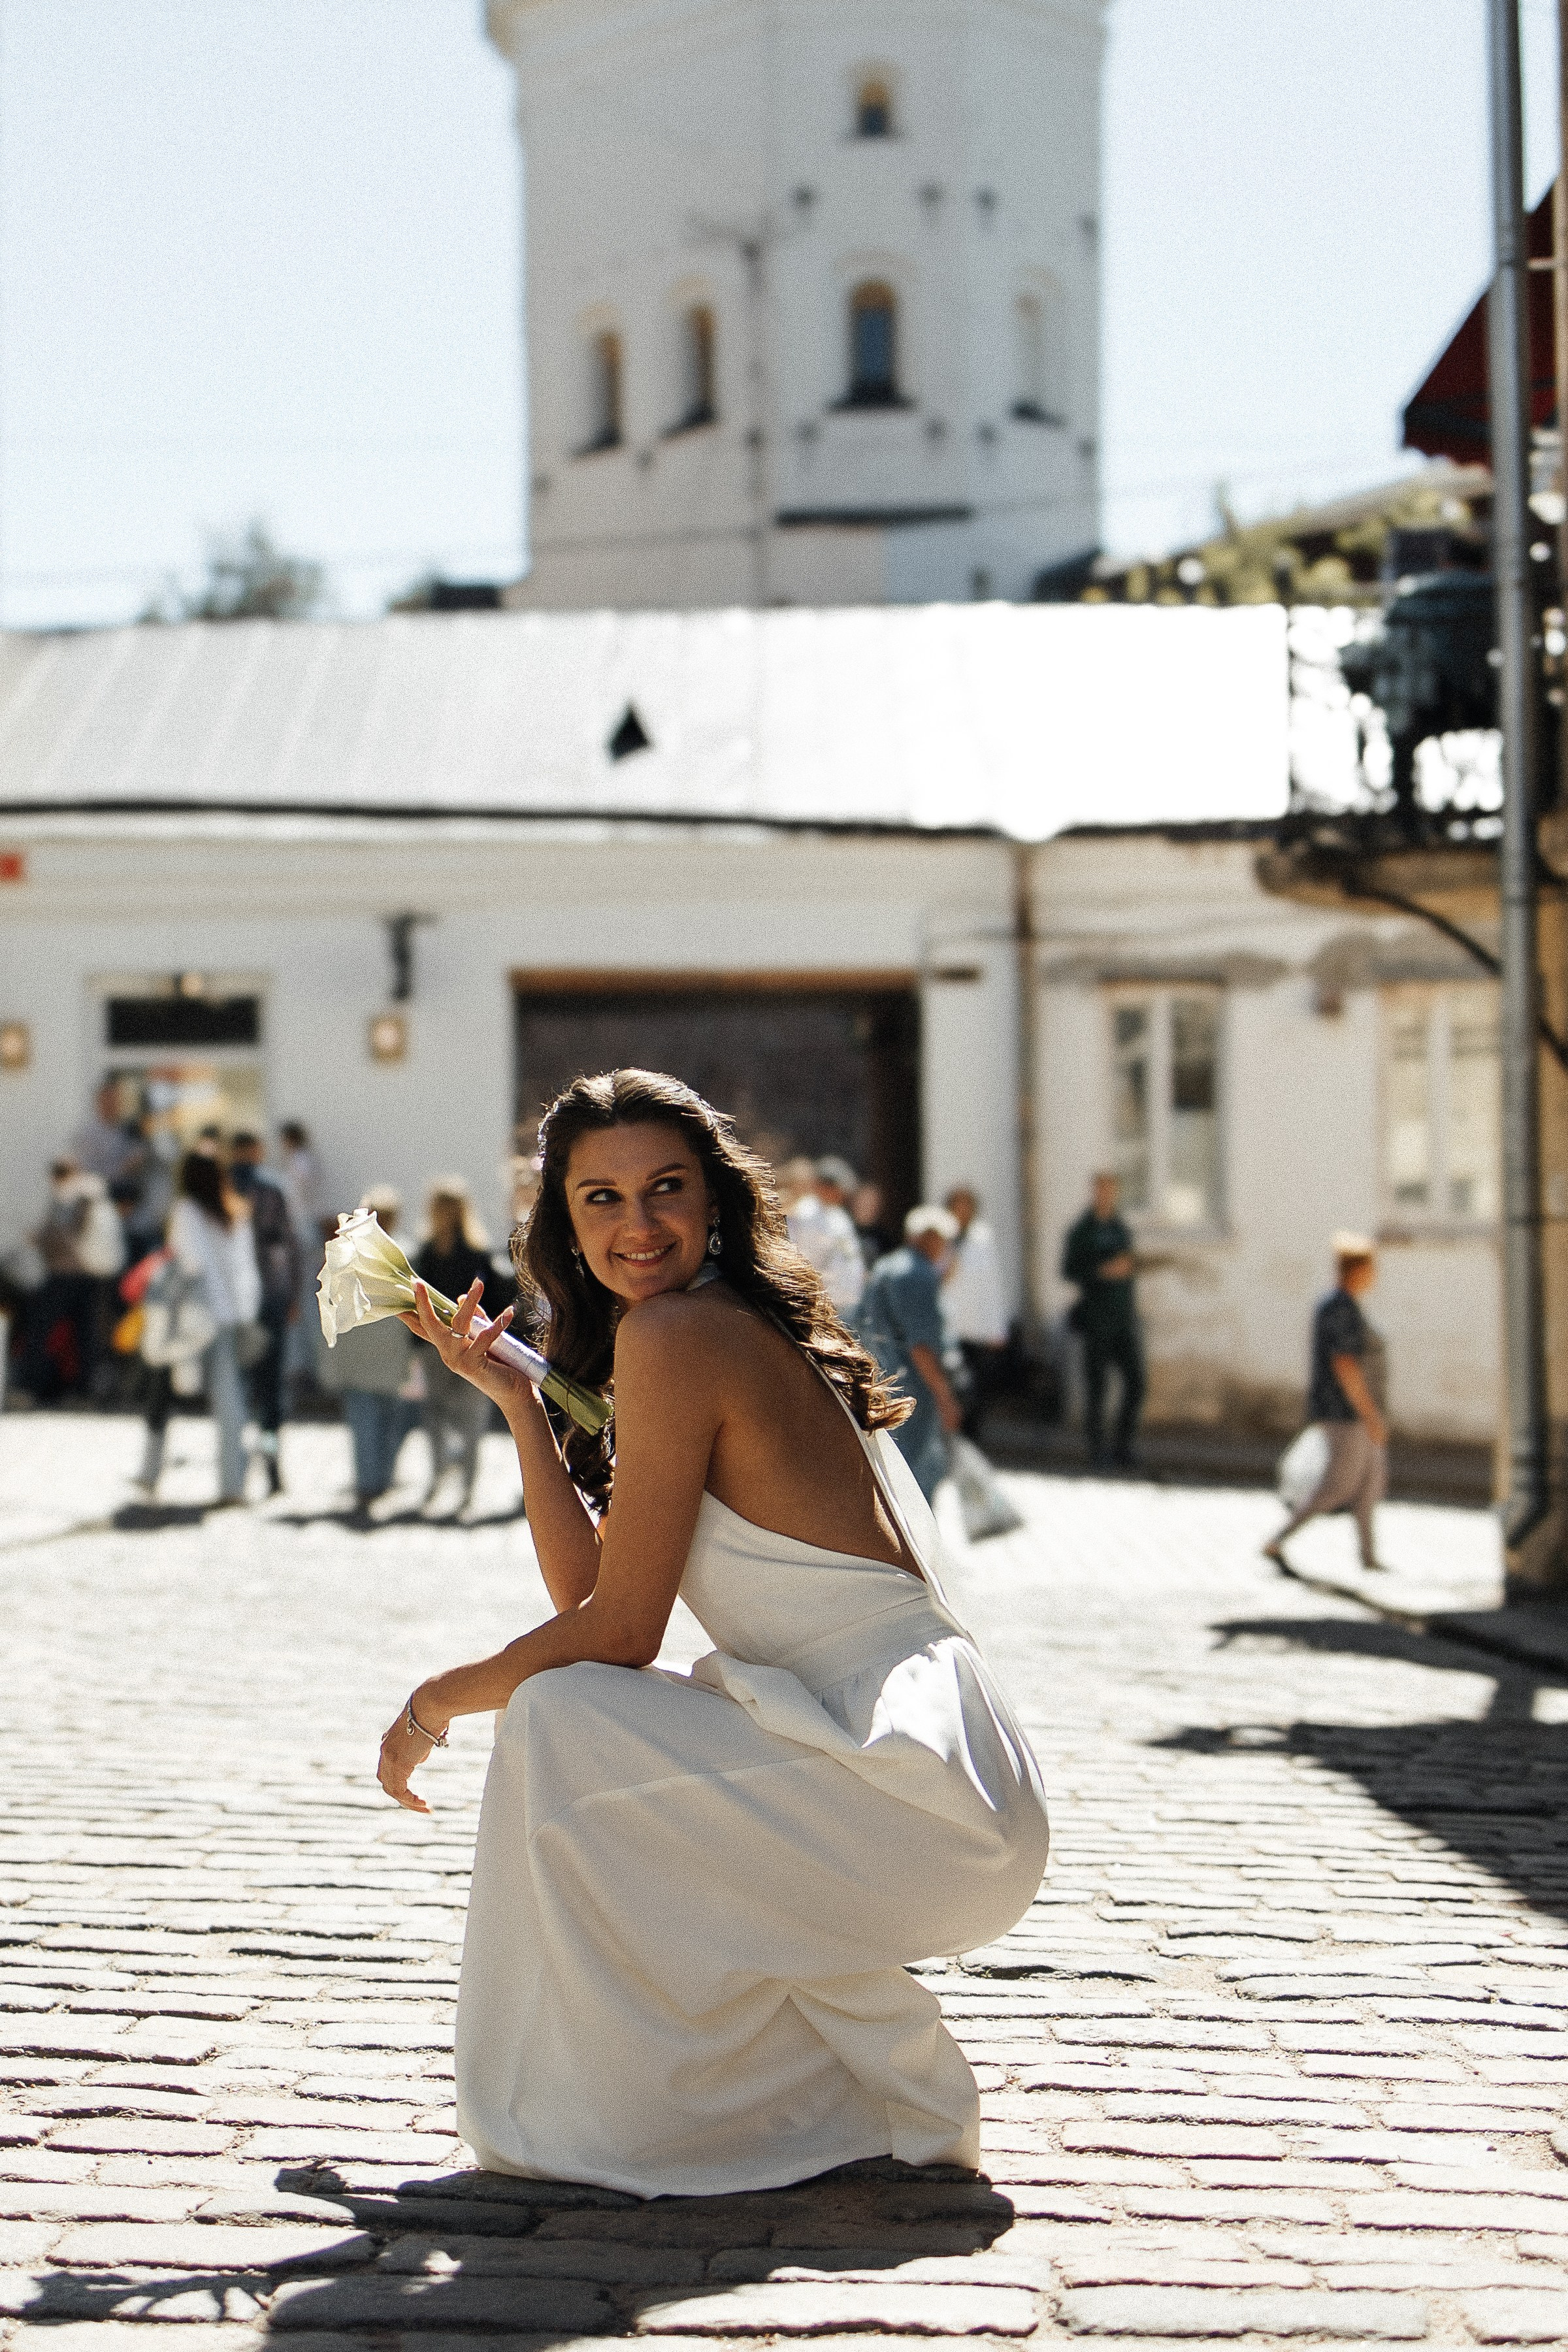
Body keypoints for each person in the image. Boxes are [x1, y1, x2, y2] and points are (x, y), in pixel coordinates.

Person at [376, 1068, 1050, 2198]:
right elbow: (593, 1596)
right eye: (601, 1199)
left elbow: (622, 1632)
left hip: (910, 1792)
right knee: (568, 1715)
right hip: (942, 1785)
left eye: (666, 1189)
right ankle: (826, 2090)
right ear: (563, 1223)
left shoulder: (684, 1334)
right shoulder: (706, 1326)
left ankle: (652, 2111)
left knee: (558, 1717)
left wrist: (434, 1701)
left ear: (715, 1201)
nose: (637, 1225)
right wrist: (519, 1408)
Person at [139, 1149, 259, 1505]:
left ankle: (150, 1472)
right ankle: (233, 1483)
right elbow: (245, 1267)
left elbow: (187, 1261)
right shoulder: (235, 1213)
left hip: (192, 1316)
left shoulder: (186, 1211)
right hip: (226, 1317)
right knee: (229, 1401)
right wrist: (243, 1313)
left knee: (164, 1389)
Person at [1266, 1235, 1388, 1573]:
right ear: (1357, 1270)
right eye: (1370, 1269)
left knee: (1369, 1482)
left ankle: (1369, 1558)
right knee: (1338, 1485)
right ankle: (1278, 1538)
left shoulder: (1336, 1304)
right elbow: (1345, 1365)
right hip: (1343, 1413)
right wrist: (1369, 1413)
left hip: (1347, 1411)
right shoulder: (1341, 1308)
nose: (1374, 1276)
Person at [854, 1205, 964, 1504]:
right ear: (931, 1238)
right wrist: (945, 1396)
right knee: (917, 1477)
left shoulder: (886, 1267)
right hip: (913, 1389)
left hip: (882, 1381)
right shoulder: (918, 1274)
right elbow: (921, 1347)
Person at [318, 1185, 416, 1515]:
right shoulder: (406, 1253)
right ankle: (378, 1480)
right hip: (387, 1355)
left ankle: (369, 1482)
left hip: (362, 1355)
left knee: (365, 1420)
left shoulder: (353, 1254)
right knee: (387, 1419)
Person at [413, 1177, 499, 1514]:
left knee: (438, 1416)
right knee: (469, 1421)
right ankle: (464, 1485)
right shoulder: (478, 1254)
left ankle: (442, 1480)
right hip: (468, 1347)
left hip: (436, 1346)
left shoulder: (427, 1253)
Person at [19, 1160, 126, 1405]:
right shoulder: (91, 1195)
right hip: (86, 1278)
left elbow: (69, 1235)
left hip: (67, 1275)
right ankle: (82, 1388)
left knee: (41, 1328)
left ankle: (37, 1386)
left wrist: (41, 1238)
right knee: (84, 1333)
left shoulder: (77, 1197)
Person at [229, 1132, 302, 1495]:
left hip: (233, 1303)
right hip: (269, 1299)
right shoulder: (271, 1190)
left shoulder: (224, 1188)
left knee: (237, 1387)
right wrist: (292, 1296)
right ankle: (272, 1468)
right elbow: (290, 1247)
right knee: (270, 1390)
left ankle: (238, 1466)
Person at [1061, 1171, 1145, 1470]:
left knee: (1136, 1382)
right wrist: (1101, 1271)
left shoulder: (1120, 1227)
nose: (1107, 1195)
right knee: (1097, 1386)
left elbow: (1130, 1267)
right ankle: (1096, 1450)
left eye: (1112, 1190)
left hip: (1123, 1317)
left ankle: (1124, 1447)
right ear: (1094, 1191)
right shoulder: (1083, 1230)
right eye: (1102, 1189)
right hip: (1096, 1318)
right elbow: (1069, 1271)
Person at [942, 1185, 1009, 1439]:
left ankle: (973, 1439)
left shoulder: (982, 1238)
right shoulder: (943, 1237)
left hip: (976, 1328)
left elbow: (991, 1285)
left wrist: (997, 1327)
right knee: (952, 1388)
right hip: (950, 1326)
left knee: (976, 1389)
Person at [784, 1154, 866, 1313]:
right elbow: (807, 1260)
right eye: (838, 1189)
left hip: (848, 1303)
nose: (842, 1194)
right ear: (824, 1186)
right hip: (823, 1305)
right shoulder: (806, 1214)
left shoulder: (839, 1214)